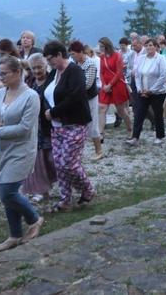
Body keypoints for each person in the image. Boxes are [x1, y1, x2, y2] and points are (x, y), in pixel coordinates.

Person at [0, 55, 44, 251]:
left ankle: (34, 220)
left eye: (4, 74)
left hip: (20, 150)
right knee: (8, 192)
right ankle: (15, 234)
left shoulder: (31, 96)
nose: (0, 78)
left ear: (18, 73)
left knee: (7, 192)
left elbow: (24, 128)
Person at [42, 41, 96, 213]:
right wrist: (49, 112)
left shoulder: (75, 71)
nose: (48, 62)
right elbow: (45, 94)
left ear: (59, 55)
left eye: (50, 59)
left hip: (75, 123)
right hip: (57, 127)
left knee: (68, 163)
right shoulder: (53, 73)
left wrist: (56, 111)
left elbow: (76, 95)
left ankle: (87, 189)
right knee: (59, 164)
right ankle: (65, 200)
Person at [21, 53, 57, 203]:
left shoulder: (52, 80)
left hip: (49, 126)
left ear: (46, 66)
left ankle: (63, 182)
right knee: (37, 160)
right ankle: (41, 190)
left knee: (51, 159)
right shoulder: (29, 82)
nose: (36, 71)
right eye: (33, 68)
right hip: (34, 127)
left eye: (39, 67)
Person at [127, 38, 166, 145]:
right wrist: (139, 88)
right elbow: (137, 75)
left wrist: (152, 90)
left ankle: (159, 136)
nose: (148, 47)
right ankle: (135, 137)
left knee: (157, 114)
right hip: (143, 91)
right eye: (147, 45)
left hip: (157, 92)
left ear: (156, 47)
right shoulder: (142, 58)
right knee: (139, 113)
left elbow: (163, 76)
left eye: (150, 45)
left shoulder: (160, 59)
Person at [69, 41, 104, 160]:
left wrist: (71, 88)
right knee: (78, 124)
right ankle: (78, 151)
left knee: (92, 124)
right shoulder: (74, 63)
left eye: (73, 54)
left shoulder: (90, 63)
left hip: (89, 97)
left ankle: (99, 150)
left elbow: (87, 84)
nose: (72, 56)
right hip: (78, 98)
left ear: (80, 52)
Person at [97, 37, 132, 149]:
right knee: (102, 108)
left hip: (116, 85)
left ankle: (130, 128)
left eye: (102, 46)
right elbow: (102, 72)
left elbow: (119, 72)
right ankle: (100, 133)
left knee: (121, 110)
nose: (100, 48)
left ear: (107, 46)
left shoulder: (117, 56)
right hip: (106, 85)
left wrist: (110, 85)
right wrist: (104, 85)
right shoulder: (102, 57)